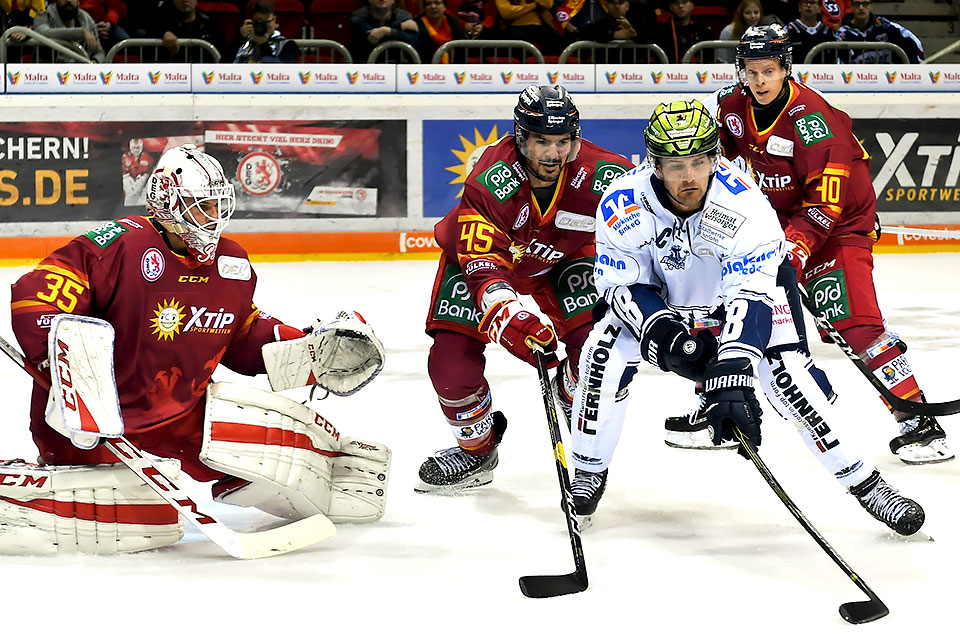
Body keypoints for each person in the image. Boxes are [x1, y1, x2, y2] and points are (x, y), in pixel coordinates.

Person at [2, 145, 390, 554]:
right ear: (167, 201)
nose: (213, 218)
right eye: (201, 206)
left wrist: (304, 346)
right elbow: (38, 296)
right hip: (93, 421)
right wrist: (56, 356)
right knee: (143, 519)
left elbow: (241, 333)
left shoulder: (232, 264)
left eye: (218, 206)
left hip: (180, 417)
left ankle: (333, 477)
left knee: (276, 442)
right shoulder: (121, 245)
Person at [567, 99, 926, 538]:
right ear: (654, 164)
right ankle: (587, 469)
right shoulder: (623, 201)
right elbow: (623, 286)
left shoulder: (743, 203)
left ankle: (867, 484)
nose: (690, 177)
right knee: (601, 352)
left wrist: (733, 369)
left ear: (715, 156)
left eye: (699, 161)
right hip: (663, 304)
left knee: (791, 384)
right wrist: (670, 338)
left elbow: (750, 292)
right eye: (676, 165)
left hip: (736, 299)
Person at [697, 24, 949, 464]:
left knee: (854, 325)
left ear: (786, 69)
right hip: (779, 223)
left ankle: (918, 420)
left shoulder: (812, 119)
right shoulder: (732, 106)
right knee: (731, 308)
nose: (759, 81)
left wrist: (795, 249)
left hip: (839, 227)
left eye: (769, 71)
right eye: (751, 71)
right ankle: (719, 404)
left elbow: (824, 203)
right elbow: (720, 159)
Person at [416, 85, 632, 492]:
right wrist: (508, 315)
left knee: (595, 350)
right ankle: (476, 451)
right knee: (450, 365)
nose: (553, 154)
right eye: (541, 141)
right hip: (478, 262)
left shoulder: (607, 174)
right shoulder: (489, 182)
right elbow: (483, 268)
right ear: (521, 137)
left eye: (563, 141)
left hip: (564, 258)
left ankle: (572, 389)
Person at [836, 0, 924, 64]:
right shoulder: (843, 34)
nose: (861, 8)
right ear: (851, 6)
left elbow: (913, 41)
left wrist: (915, 68)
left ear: (871, 6)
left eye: (865, 4)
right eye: (857, 4)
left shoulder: (885, 26)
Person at [152, 0, 226, 62]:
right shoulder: (161, 21)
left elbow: (222, 52)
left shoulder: (210, 22)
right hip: (171, 74)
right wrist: (163, 33)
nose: (184, 0)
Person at [33, 0, 105, 62]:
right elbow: (42, 33)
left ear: (78, 1)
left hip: (81, 74)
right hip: (49, 72)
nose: (68, 0)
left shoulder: (86, 19)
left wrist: (94, 62)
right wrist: (80, 32)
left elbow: (99, 52)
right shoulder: (44, 15)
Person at [350, 0, 420, 63]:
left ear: (393, 0)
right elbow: (372, 37)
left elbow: (414, 40)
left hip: (397, 65)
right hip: (366, 66)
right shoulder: (359, 16)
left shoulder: (403, 15)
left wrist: (387, 31)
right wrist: (399, 27)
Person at [234, 0, 300, 64]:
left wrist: (263, 45)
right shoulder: (245, 42)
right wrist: (240, 38)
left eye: (267, 22)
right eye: (260, 22)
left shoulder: (288, 45)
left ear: (274, 20)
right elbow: (226, 63)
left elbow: (285, 71)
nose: (264, 26)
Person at [785, 0, 835, 64]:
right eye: (805, 2)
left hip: (822, 72)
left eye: (812, 3)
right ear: (799, 7)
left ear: (819, 8)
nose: (808, 5)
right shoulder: (789, 30)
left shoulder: (827, 31)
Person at [121, 138, 154, 207]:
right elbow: (124, 171)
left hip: (143, 180)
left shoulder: (147, 157)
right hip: (129, 178)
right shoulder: (125, 157)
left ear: (141, 147)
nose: (136, 150)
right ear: (130, 147)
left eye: (137, 148)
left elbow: (147, 171)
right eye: (134, 148)